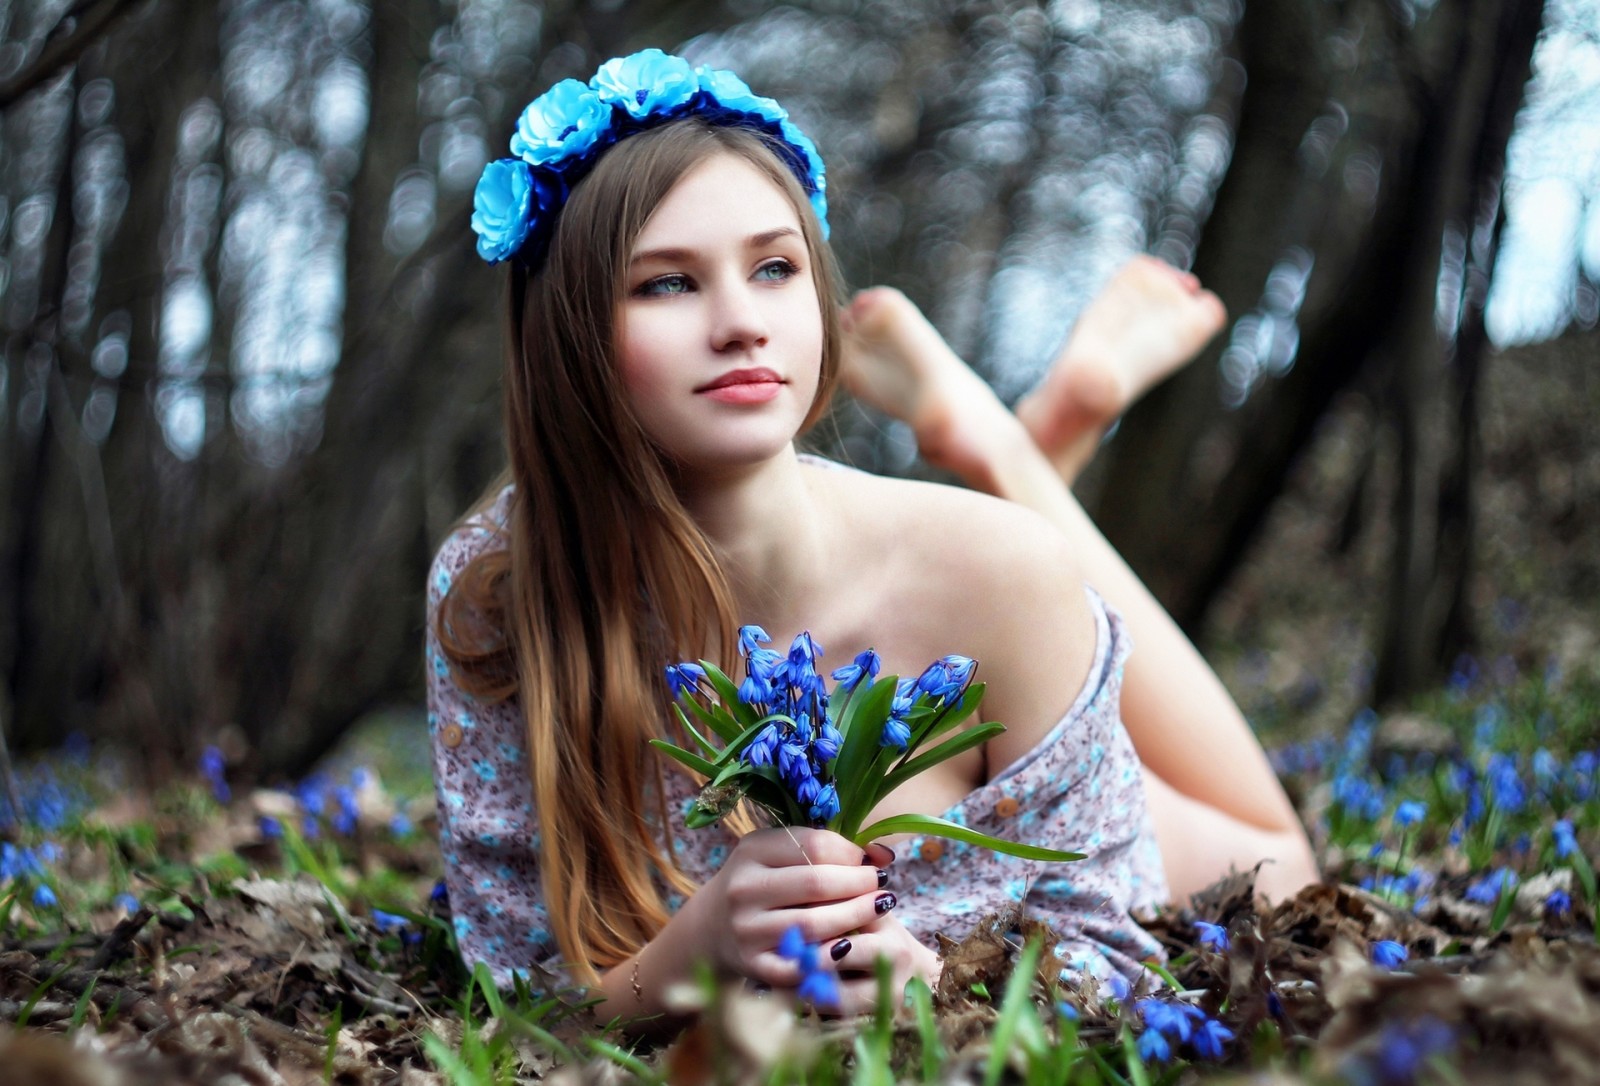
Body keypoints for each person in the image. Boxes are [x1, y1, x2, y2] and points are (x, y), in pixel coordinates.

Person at [427, 49, 1316, 1029]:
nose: (740, 324)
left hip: (1059, 726)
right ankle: (1020, 450)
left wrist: (945, 998)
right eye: (667, 285)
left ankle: (1005, 453)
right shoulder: (498, 591)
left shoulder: (991, 572)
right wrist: (694, 956)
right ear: (567, 334)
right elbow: (520, 991)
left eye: (774, 268)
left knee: (1279, 856)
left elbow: (1115, 961)